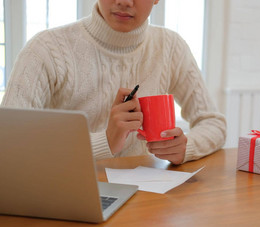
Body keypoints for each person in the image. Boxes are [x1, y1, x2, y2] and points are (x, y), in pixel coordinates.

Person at [1, 0, 226, 165]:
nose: (124, 2)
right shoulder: (46, 49)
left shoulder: (170, 47)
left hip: (146, 197)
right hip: (63, 193)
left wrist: (186, 147)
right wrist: (104, 142)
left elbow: (214, 124)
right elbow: (8, 140)